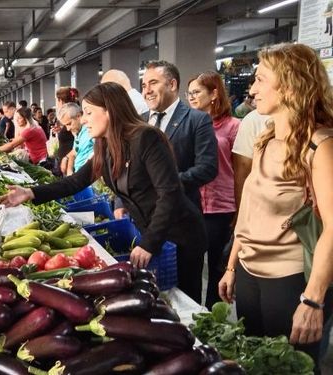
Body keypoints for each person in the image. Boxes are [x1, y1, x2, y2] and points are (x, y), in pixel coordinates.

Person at [0, 82, 207, 303]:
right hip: (152, 231)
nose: (84, 119)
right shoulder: (105, 145)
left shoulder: (147, 138)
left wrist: (150, 243)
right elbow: (76, 181)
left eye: (89, 112)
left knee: (185, 301)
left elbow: (170, 194)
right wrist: (30, 192)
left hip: (180, 234)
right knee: (163, 298)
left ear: (110, 110)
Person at [219, 43, 333, 368]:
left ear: (288, 85)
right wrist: (231, 265)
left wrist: (313, 299)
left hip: (290, 278)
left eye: (259, 80)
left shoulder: (320, 146)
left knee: (288, 366)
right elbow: (249, 209)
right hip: (250, 271)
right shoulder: (266, 139)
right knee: (255, 361)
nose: (251, 90)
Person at [187, 71, 240, 308]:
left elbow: (240, 171)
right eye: (189, 93)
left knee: (217, 264)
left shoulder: (232, 127)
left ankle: (212, 313)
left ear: (214, 93)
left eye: (197, 92)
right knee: (191, 263)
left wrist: (240, 209)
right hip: (193, 203)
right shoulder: (188, 124)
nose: (191, 97)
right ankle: (193, 312)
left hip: (221, 205)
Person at [141, 60, 218, 211]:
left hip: (181, 213)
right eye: (144, 86)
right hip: (144, 214)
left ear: (172, 85)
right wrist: (121, 203)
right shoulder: (139, 120)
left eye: (153, 83)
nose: (147, 90)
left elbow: (207, 168)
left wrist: (165, 184)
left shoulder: (197, 120)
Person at [58, 102, 94, 176]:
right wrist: (69, 170)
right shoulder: (77, 132)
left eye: (69, 124)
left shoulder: (91, 131)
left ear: (78, 116)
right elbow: (75, 151)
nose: (68, 129)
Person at [52, 87, 79, 176]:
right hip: (67, 160)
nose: (68, 128)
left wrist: (69, 166)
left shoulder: (84, 132)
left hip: (72, 164)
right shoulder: (68, 117)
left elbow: (77, 147)